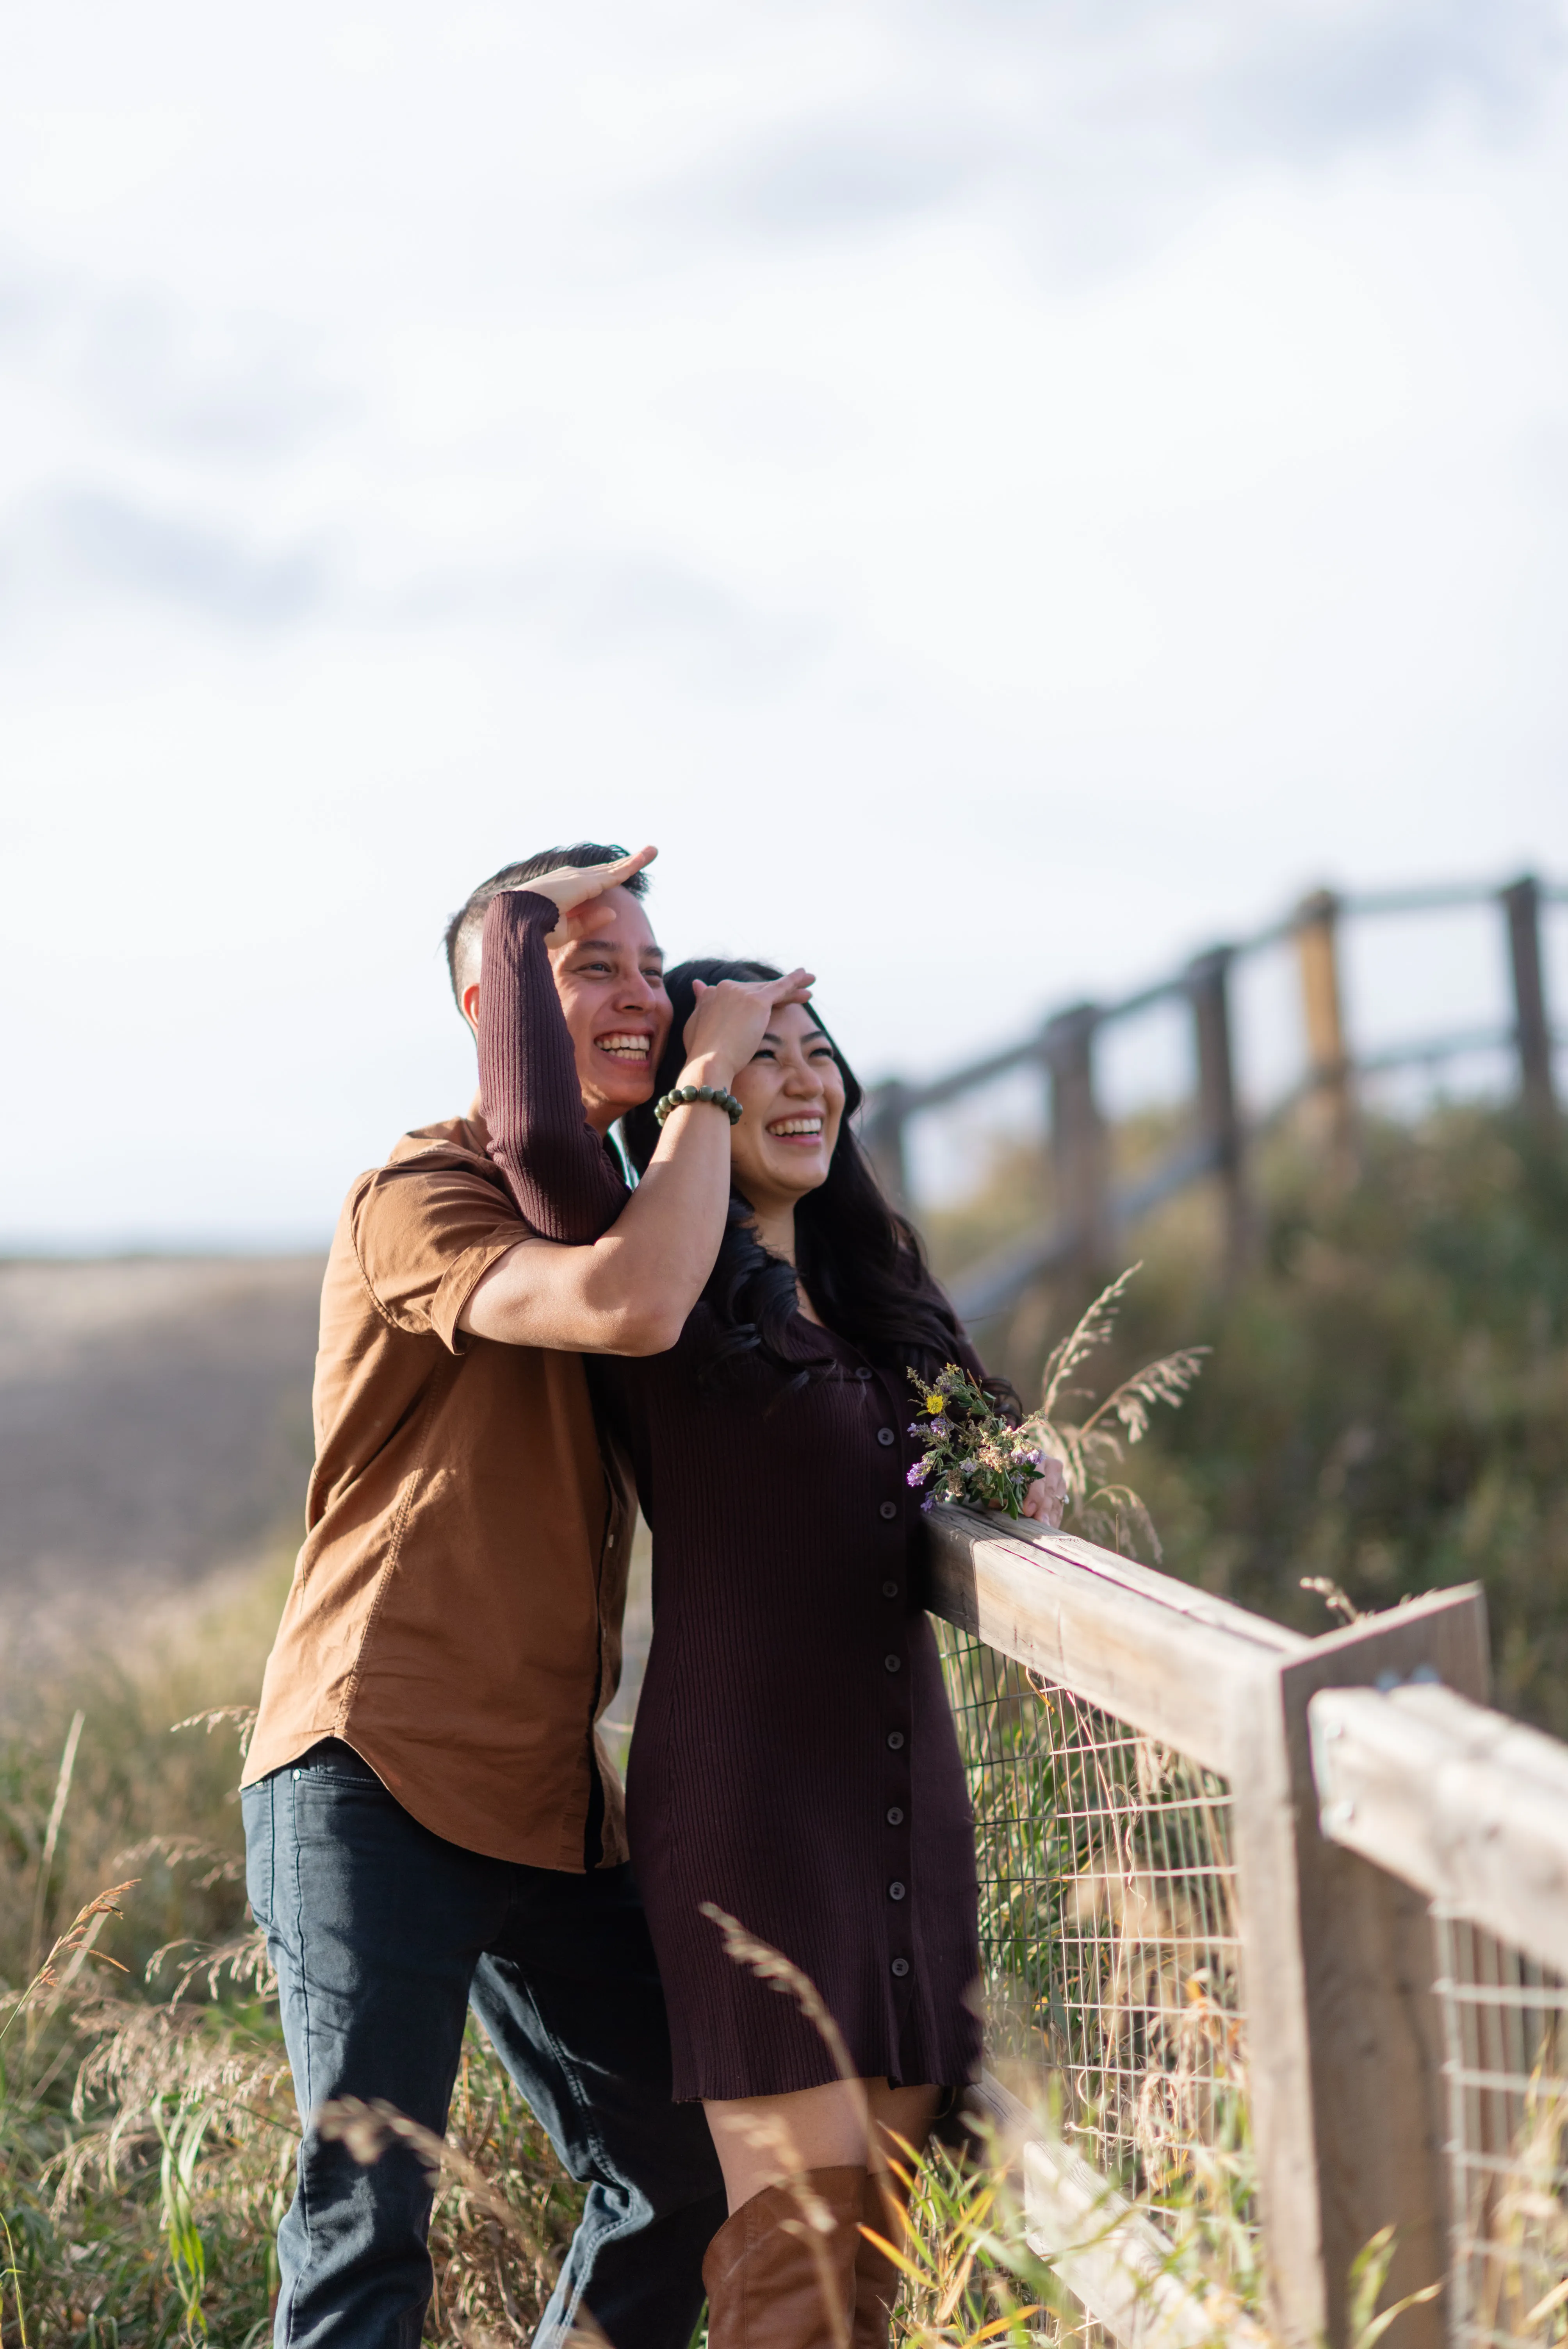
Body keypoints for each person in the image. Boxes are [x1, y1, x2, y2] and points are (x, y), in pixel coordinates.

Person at [241, 842, 814, 2349]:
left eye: (652, 964)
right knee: (367, 2218)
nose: (643, 995)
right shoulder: (422, 1189)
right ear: (499, 999)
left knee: (679, 2172)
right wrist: (700, 1088)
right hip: (376, 1765)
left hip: (552, 1795)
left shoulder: (627, 1194)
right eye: (591, 966)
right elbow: (624, 1307)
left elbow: (758, 1352)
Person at [472, 905, 1065, 2346]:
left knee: (899, 2261)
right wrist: (526, 923)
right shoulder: (654, 1288)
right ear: (689, 1099)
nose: (800, 1084)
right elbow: (536, 1124)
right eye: (756, 1062)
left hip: (906, 1807)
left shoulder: (878, 1302)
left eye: (816, 1055)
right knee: (798, 2273)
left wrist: (1034, 1472)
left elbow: (997, 1458)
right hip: (749, 1816)